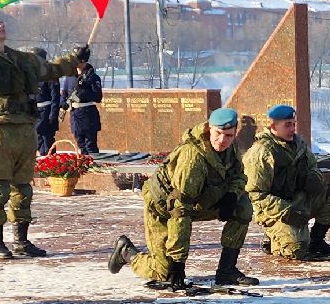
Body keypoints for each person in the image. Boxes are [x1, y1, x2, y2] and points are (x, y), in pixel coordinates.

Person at [0, 13, 84, 258]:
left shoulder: (20, 58)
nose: (1, 25)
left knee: (23, 189)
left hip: (24, 128)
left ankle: (21, 241)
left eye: (1, 22)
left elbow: (50, 69)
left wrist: (75, 59)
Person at [106, 107, 256, 290]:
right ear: (209, 128)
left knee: (242, 205)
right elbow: (179, 208)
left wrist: (231, 195)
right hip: (163, 208)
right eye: (218, 133)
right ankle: (126, 252)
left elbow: (239, 176)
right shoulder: (192, 157)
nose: (223, 140)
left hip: (198, 202)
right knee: (165, 272)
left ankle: (227, 270)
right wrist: (178, 262)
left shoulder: (230, 147)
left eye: (229, 135)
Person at [244, 103, 330, 261]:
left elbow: (315, 171)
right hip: (275, 210)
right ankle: (272, 237)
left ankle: (316, 241)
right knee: (296, 250)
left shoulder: (300, 146)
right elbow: (256, 194)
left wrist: (310, 179)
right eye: (287, 125)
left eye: (294, 124)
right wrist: (286, 211)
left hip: (300, 200)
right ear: (273, 126)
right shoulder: (261, 153)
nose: (293, 129)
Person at [68, 60, 105, 157]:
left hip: (88, 113)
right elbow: (65, 93)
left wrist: (83, 91)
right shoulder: (71, 77)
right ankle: (84, 165)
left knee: (90, 144)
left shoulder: (92, 77)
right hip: (75, 113)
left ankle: (94, 166)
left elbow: (98, 97)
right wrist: (64, 103)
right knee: (80, 143)